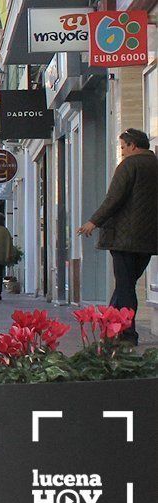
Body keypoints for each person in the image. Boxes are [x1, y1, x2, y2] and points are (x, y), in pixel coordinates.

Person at [78, 128, 157, 345]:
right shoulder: (155, 165)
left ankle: (127, 334)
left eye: (123, 146)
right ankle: (110, 327)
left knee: (125, 286)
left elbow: (114, 198)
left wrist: (93, 222)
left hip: (124, 238)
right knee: (127, 283)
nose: (122, 151)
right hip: (148, 239)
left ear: (133, 145)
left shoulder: (129, 165)